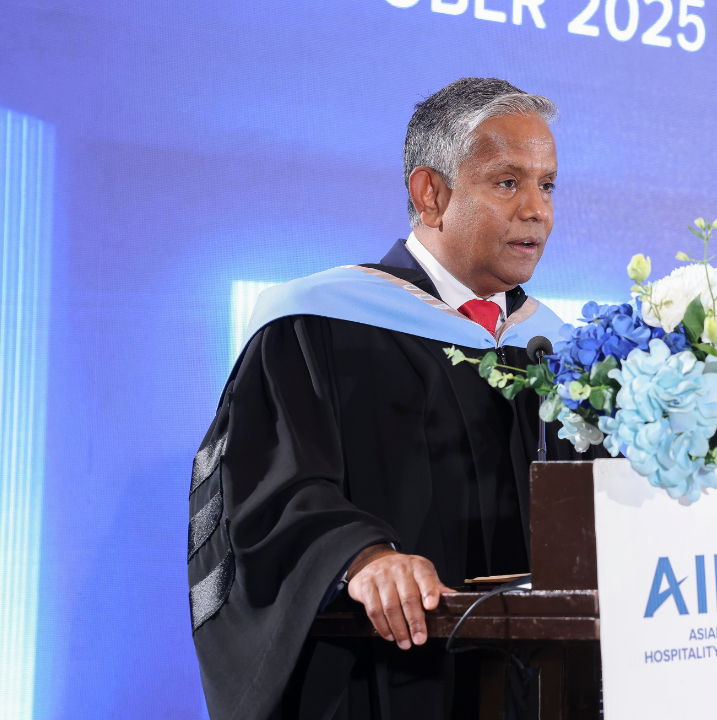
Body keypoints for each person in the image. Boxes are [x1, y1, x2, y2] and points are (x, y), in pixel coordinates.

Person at [189, 77, 586, 720]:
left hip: (538, 685)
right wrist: (361, 557)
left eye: (548, 185)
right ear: (430, 194)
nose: (538, 210)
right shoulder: (318, 324)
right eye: (508, 182)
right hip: (386, 679)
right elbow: (270, 490)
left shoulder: (554, 350)